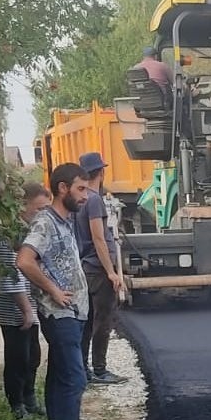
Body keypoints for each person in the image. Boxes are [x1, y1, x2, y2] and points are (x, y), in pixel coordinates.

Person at [16, 163, 107, 420]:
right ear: (63, 188)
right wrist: (53, 290)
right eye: (80, 189)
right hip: (60, 314)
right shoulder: (46, 223)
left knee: (60, 376)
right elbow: (25, 260)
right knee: (74, 378)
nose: (86, 195)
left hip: (74, 313)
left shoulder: (65, 221)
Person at [0, 182, 50, 420]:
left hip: (30, 308)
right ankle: (17, 404)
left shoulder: (30, 232)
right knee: (17, 358)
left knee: (33, 356)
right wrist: (26, 310)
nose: (41, 215)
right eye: (38, 209)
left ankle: (30, 398)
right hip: (13, 310)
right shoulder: (4, 235)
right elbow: (9, 278)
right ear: (21, 206)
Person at [75, 152, 128, 385]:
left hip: (84, 266)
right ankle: (100, 370)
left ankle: (83, 369)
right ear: (101, 172)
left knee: (87, 321)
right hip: (97, 268)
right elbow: (98, 238)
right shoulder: (94, 199)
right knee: (103, 320)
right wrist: (111, 271)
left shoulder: (79, 199)